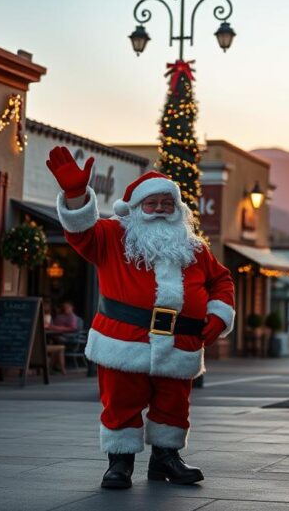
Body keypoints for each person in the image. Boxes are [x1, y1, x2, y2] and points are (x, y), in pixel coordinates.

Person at [47, 146, 234, 490]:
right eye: (152, 204)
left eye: (167, 204)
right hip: (123, 341)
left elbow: (221, 280)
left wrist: (219, 315)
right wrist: (75, 195)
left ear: (178, 209)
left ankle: (166, 458)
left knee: (173, 404)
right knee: (120, 403)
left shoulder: (194, 247)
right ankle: (119, 464)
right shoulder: (112, 236)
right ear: (134, 209)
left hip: (180, 343)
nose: (160, 210)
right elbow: (80, 233)